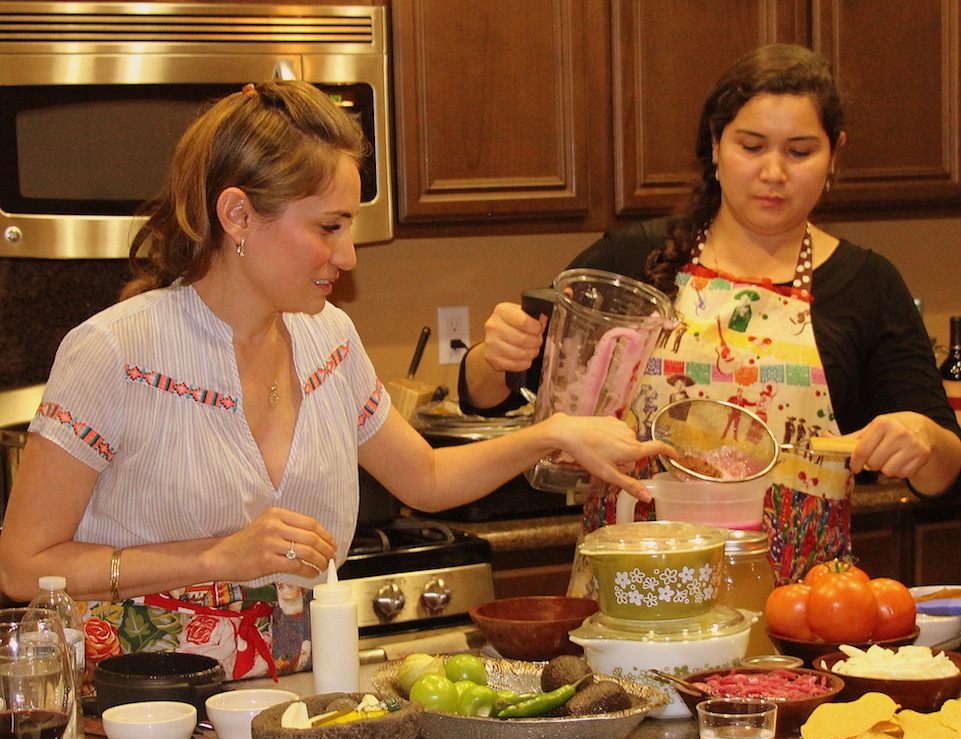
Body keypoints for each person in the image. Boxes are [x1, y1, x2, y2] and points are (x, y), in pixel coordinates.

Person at [0, 80, 672, 681]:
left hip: (292, 697)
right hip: (140, 710)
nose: (346, 256)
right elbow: (23, 565)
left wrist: (547, 434)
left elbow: (427, 479)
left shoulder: (328, 339)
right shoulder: (115, 352)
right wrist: (211, 559)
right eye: (329, 226)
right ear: (237, 215)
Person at [459, 44, 961, 590]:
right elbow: (488, 392)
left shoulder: (867, 287)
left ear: (835, 155)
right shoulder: (633, 264)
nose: (773, 172)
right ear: (716, 147)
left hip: (799, 614)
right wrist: (496, 355)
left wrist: (924, 440)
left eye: (800, 151)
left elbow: (947, 476)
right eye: (751, 146)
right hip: (630, 602)